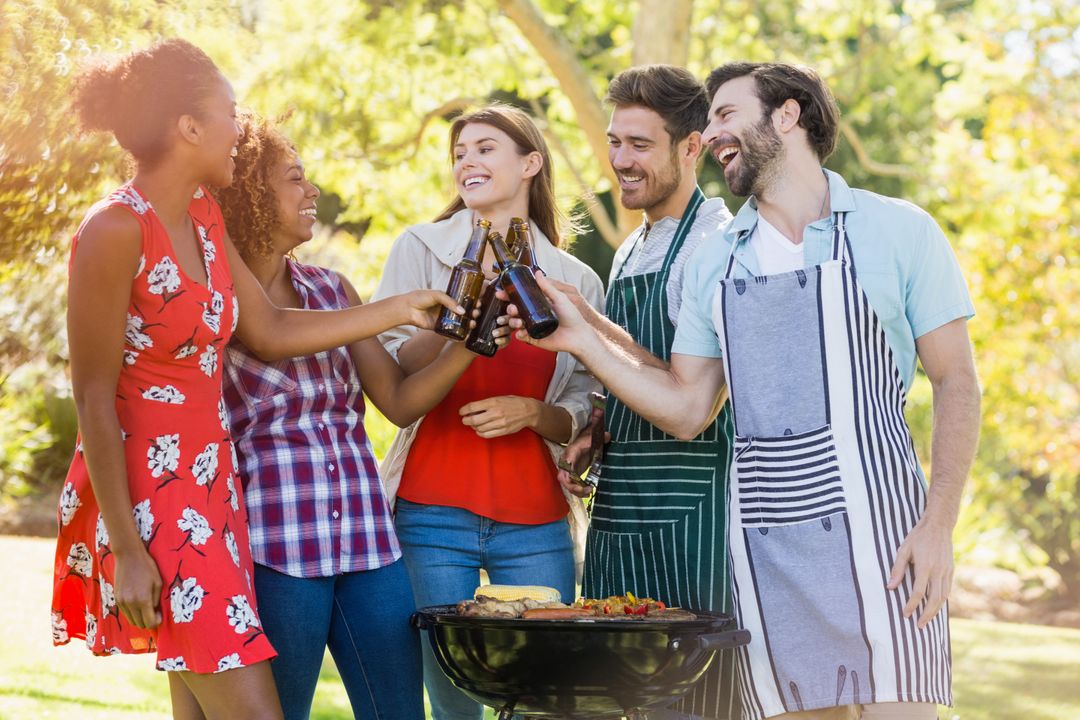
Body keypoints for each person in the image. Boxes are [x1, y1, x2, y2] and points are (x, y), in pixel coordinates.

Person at [510, 62, 980, 720]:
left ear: (787, 115)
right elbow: (687, 408)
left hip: (888, 542)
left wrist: (938, 526)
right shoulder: (719, 258)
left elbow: (957, 381)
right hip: (766, 550)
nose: (712, 132)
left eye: (727, 114)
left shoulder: (898, 230)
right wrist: (582, 339)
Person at [50, 40, 458, 720]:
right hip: (153, 499)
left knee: (201, 711)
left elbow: (268, 329)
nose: (241, 128)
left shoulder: (205, 219)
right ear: (187, 126)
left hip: (217, 489)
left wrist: (398, 307)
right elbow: (92, 396)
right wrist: (126, 547)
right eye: (230, 112)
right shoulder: (115, 228)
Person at [214, 111, 494, 720]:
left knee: (399, 711)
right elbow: (271, 336)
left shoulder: (332, 290)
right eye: (294, 179)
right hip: (276, 547)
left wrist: (467, 347)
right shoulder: (219, 301)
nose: (311, 190)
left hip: (368, 542)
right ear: (251, 196)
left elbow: (395, 400)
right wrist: (396, 309)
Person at [370, 104, 604, 720]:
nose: (466, 161)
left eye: (484, 148)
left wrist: (533, 412)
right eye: (459, 153)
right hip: (431, 512)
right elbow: (386, 361)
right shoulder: (420, 247)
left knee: (543, 694)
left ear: (531, 163)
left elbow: (585, 402)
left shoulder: (575, 280)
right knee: (453, 697)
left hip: (537, 519)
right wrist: (458, 327)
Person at [553, 64, 740, 720]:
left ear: (692, 148)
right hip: (619, 514)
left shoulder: (716, 245)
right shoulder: (633, 245)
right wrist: (596, 429)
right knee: (604, 699)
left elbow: (695, 404)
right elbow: (640, 365)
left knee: (691, 707)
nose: (619, 161)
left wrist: (582, 338)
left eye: (639, 145)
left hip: (694, 520)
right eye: (614, 141)